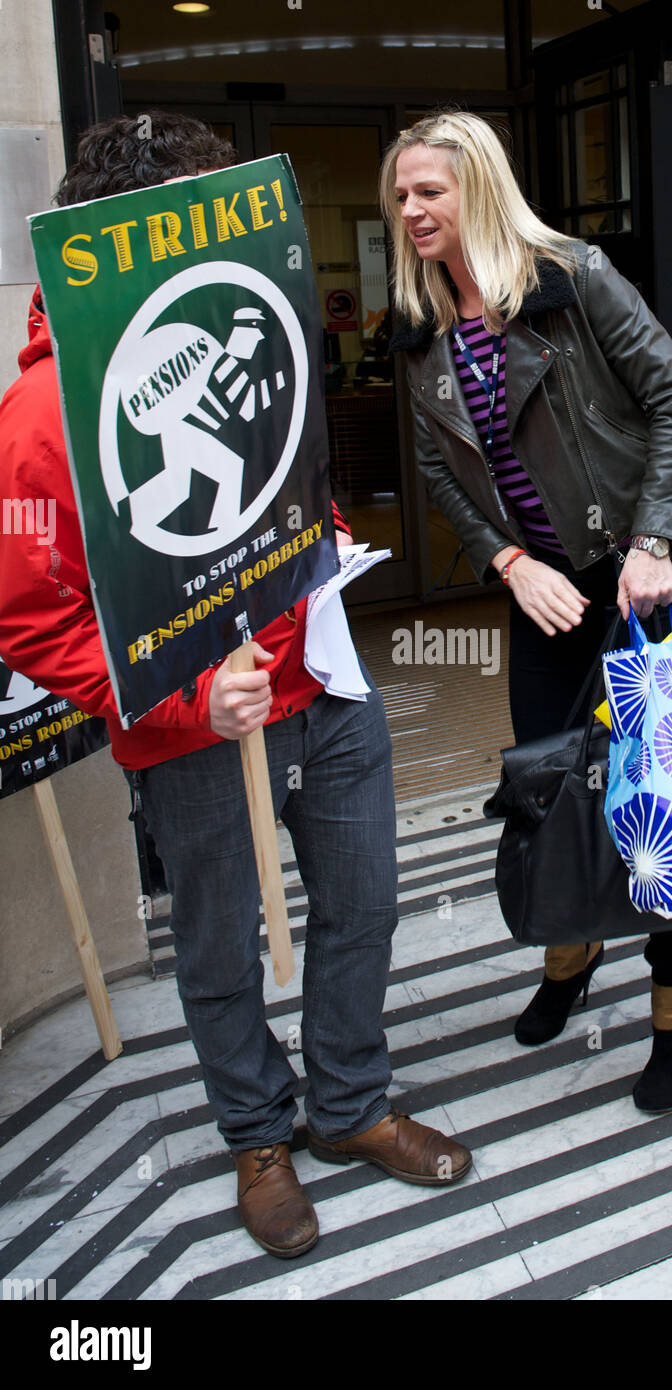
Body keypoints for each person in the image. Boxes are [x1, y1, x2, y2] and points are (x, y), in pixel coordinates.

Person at [0, 112, 471, 1261]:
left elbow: (301, 488)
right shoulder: (38, 421)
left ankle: (351, 1100)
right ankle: (258, 1135)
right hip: (195, 731)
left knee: (362, 903)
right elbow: (30, 618)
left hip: (325, 683)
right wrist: (183, 704)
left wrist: (328, 557)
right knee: (217, 944)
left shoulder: (249, 330)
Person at [383, 109, 672, 1112]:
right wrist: (506, 560)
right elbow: (441, 469)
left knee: (662, 802)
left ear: (476, 187)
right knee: (545, 788)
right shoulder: (419, 325)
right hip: (542, 594)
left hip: (636, 578)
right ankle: (568, 955)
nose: (409, 210)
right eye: (399, 195)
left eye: (427, 191)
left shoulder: (573, 283)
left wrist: (653, 540)